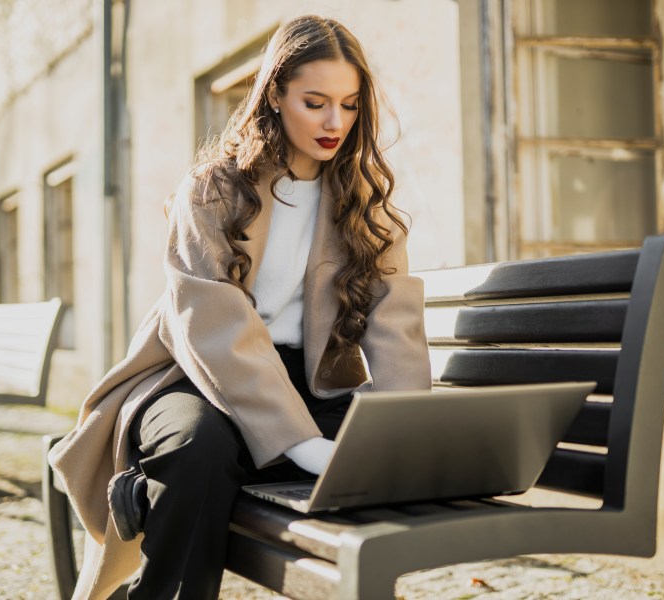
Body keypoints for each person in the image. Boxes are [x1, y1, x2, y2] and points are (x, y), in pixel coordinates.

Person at [48, 14, 431, 600]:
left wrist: (406, 435)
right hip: (197, 379)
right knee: (197, 451)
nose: (336, 122)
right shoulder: (213, 190)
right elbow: (211, 327)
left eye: (350, 105)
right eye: (315, 102)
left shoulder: (365, 206)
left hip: (312, 386)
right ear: (275, 94)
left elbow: (394, 329)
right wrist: (301, 445)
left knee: (370, 461)